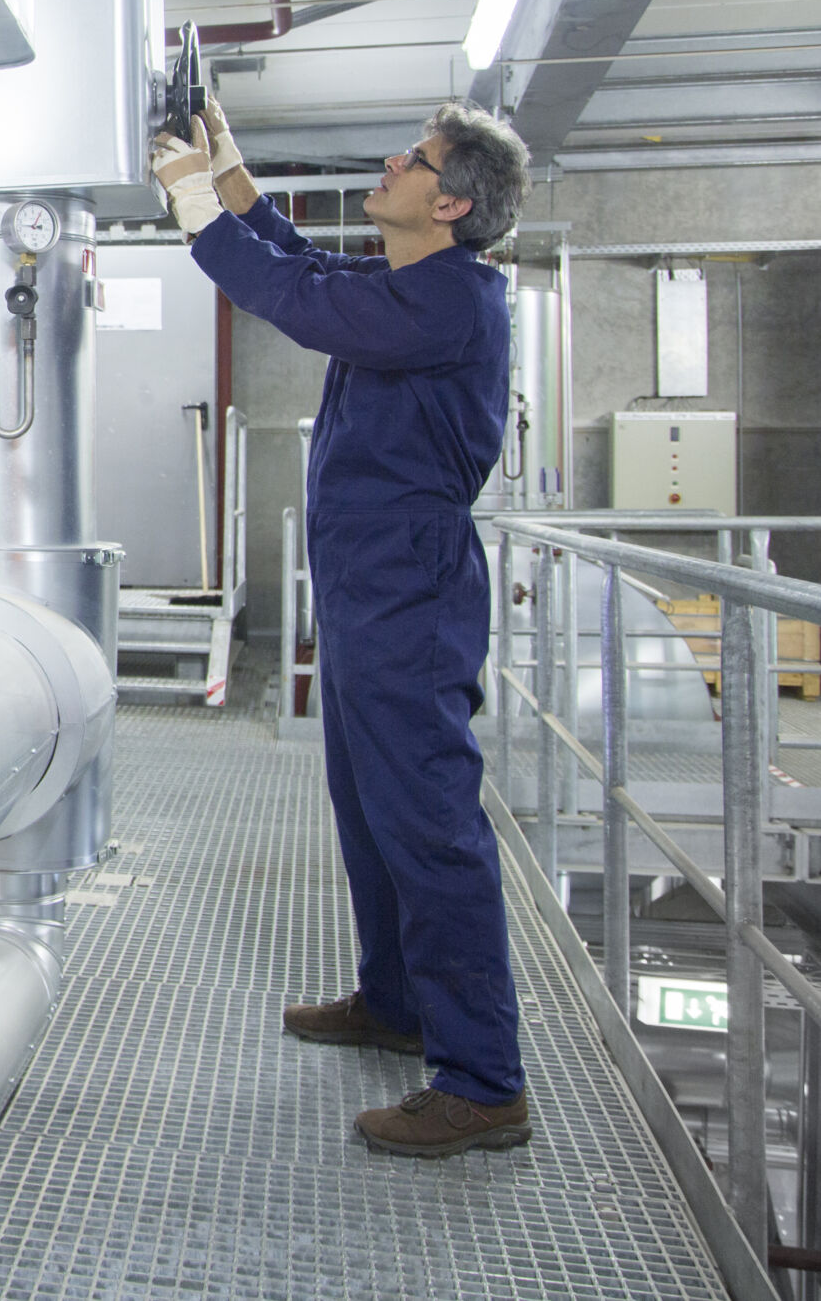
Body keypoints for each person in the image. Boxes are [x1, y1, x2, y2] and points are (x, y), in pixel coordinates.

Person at [155, 96, 533, 1159]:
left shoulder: (452, 303)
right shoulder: (414, 283)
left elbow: (294, 301)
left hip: (409, 594)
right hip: (372, 587)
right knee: (369, 807)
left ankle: (482, 1082)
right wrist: (226, 172)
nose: (389, 162)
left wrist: (194, 211)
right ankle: (398, 1002)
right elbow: (297, 262)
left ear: (450, 202)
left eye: (411, 161)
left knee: (428, 826)